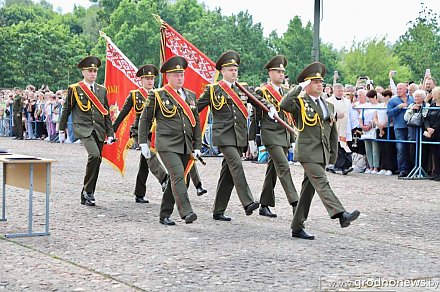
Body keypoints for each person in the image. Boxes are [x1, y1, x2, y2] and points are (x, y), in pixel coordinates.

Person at [280, 62, 360, 240]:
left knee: (308, 190)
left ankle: (297, 226)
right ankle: (340, 214)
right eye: (315, 82)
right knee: (322, 182)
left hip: (321, 153)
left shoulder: (328, 105)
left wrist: (332, 155)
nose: (319, 85)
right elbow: (284, 104)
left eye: (321, 82)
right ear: (307, 84)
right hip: (307, 152)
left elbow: (331, 131)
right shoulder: (300, 102)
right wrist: (298, 88)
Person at [197, 50, 272, 221]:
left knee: (228, 174)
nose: (234, 73)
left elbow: (258, 100)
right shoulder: (213, 89)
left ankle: (218, 210)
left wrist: (270, 108)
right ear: (222, 71)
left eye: (235, 70)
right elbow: (195, 110)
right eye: (230, 70)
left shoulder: (242, 88)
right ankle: (247, 202)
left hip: (239, 136)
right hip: (223, 135)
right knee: (237, 165)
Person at [138, 56, 201, 225]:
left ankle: (164, 214)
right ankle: (187, 212)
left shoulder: (190, 95)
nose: (180, 77)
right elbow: (145, 119)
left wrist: (197, 145)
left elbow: (196, 123)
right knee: (178, 176)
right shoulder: (158, 95)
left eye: (181, 74)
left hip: (185, 144)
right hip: (166, 144)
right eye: (176, 74)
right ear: (168, 76)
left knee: (180, 179)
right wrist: (143, 142)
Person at [59, 56, 115, 206]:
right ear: (83, 72)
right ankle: (89, 191)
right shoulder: (75, 89)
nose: (93, 73)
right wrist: (61, 129)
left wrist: (110, 133)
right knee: (94, 155)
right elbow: (66, 109)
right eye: (90, 71)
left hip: (98, 129)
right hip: (83, 128)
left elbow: (106, 113)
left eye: (95, 71)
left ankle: (87, 192)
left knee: (97, 161)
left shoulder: (101, 90)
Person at [112, 64, 169, 203]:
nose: (150, 81)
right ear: (141, 80)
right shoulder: (135, 95)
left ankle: (139, 193)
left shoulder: (160, 93)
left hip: (155, 131)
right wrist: (111, 130)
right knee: (149, 153)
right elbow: (123, 114)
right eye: (147, 78)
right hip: (139, 131)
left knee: (145, 162)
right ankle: (164, 179)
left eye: (152, 78)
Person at [251, 55, 298, 218]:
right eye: (277, 71)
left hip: (284, 135)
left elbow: (290, 115)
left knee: (273, 169)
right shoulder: (262, 91)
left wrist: (292, 136)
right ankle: (296, 203)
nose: (281, 74)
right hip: (270, 134)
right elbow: (255, 117)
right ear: (270, 73)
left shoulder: (286, 92)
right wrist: (252, 139)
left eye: (282, 72)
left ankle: (264, 204)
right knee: (284, 167)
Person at [387, 83, 414, 178]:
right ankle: (402, 169)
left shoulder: (412, 98)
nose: (398, 90)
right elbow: (389, 113)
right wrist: (398, 107)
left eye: (400, 89)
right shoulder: (392, 100)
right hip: (399, 127)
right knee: (401, 148)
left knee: (412, 148)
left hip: (411, 126)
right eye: (397, 89)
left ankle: (411, 168)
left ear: (405, 89)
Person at [326, 83, 353, 175]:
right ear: (334, 90)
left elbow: (351, 114)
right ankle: (336, 166)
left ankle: (345, 166)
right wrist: (336, 116)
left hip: (345, 128)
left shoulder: (347, 101)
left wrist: (354, 126)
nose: (341, 92)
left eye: (342, 91)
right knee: (336, 147)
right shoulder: (328, 101)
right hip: (334, 127)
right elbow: (327, 114)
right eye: (339, 90)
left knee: (344, 147)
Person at [423, 86, 440, 181]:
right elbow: (426, 117)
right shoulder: (432, 104)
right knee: (435, 153)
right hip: (431, 132)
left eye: (433, 93)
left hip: (438, 131)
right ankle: (436, 172)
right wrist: (428, 127)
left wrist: (434, 128)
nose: (431, 94)